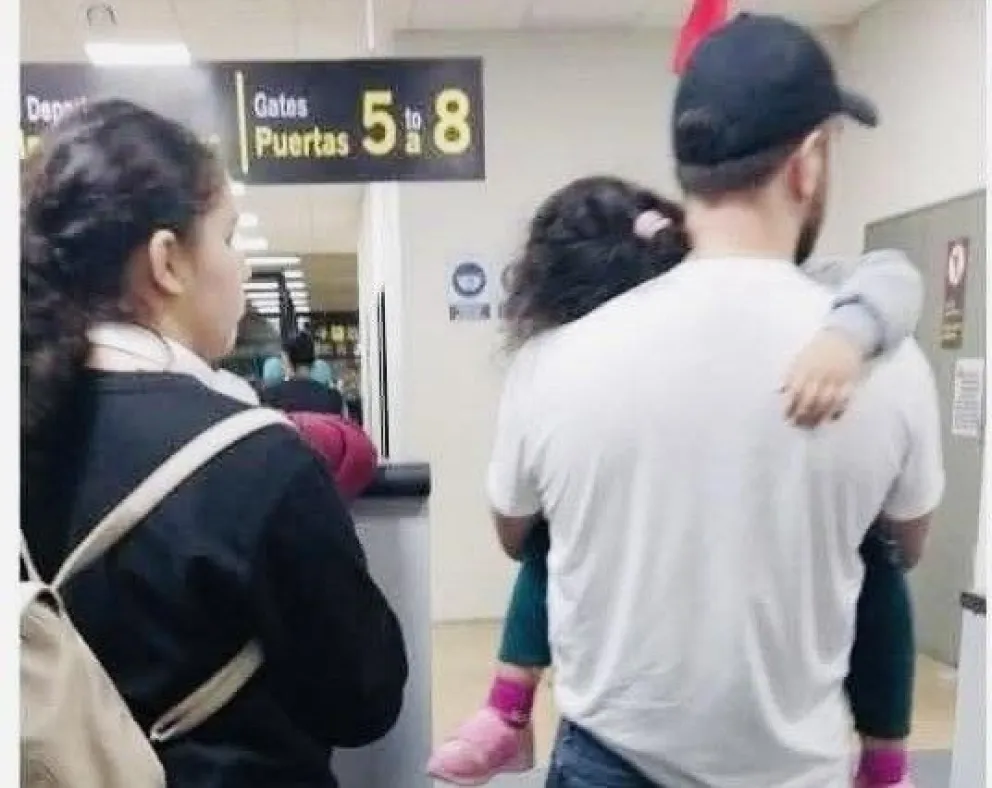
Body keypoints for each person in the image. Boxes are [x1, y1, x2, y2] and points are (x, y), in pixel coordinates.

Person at [485, 16, 944, 788]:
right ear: (808, 163)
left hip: (609, 763)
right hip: (796, 769)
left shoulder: (552, 362)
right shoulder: (887, 367)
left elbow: (514, 532)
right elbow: (909, 544)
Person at [428, 175, 925, 787]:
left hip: (648, 732)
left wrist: (849, 336)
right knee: (555, 536)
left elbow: (891, 274)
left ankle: (884, 759)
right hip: (738, 728)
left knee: (876, 558)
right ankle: (507, 707)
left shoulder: (793, 293)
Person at [21, 99, 407, 788]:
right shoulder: (253, 456)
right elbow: (363, 696)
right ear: (168, 262)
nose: (244, 267)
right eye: (229, 237)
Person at [262, 332, 345, 414]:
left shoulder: (271, 397)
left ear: (287, 360)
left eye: (282, 361)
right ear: (313, 360)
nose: (282, 366)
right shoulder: (333, 398)